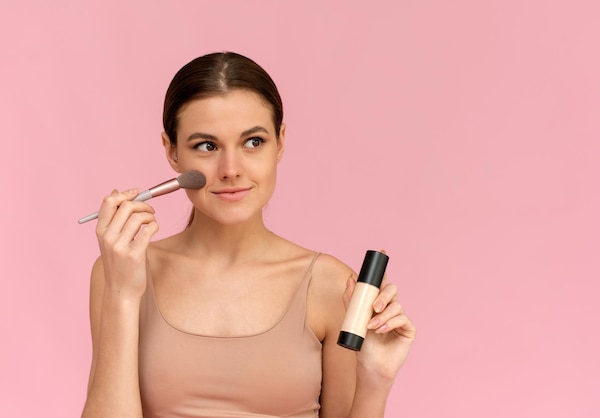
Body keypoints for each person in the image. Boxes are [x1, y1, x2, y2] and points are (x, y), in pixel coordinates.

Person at [81, 51, 415, 418]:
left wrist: (376, 382)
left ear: (280, 141)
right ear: (172, 152)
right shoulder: (122, 272)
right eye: (206, 146)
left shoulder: (331, 285)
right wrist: (122, 293)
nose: (231, 169)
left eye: (253, 142)